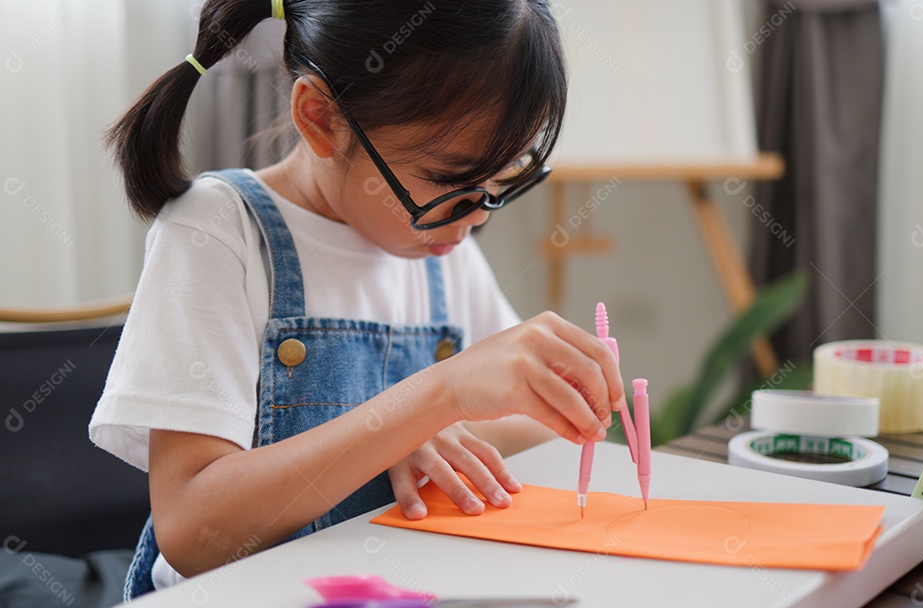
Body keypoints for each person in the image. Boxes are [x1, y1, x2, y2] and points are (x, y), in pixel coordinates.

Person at [89, 0, 627, 599]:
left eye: (504, 183)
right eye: (452, 186)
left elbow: (532, 425)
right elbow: (192, 528)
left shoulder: (441, 252)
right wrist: (428, 404)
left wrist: (532, 404)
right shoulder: (219, 231)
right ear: (321, 119)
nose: (475, 219)